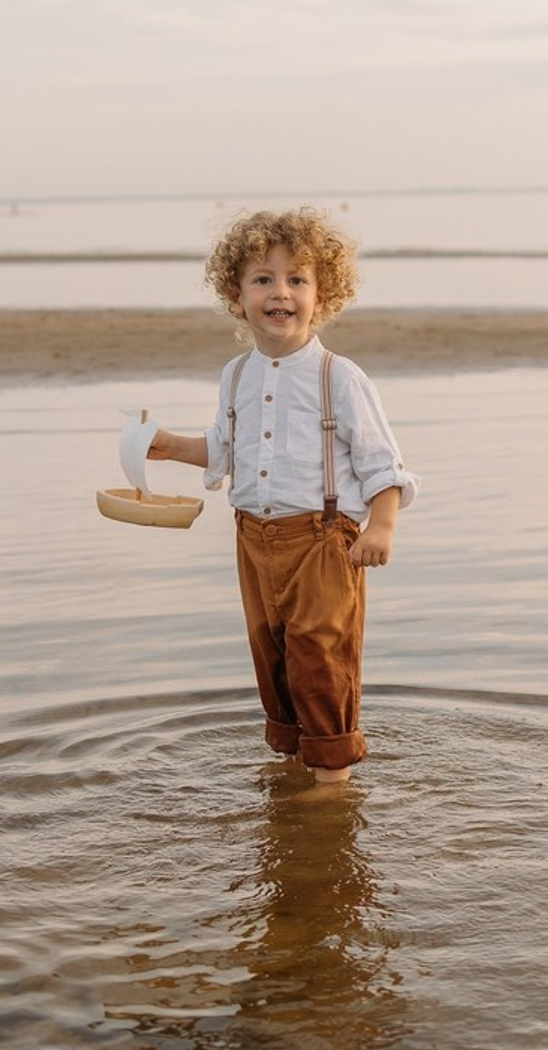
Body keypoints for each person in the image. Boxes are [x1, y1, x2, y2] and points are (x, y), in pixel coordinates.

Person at [150, 208, 419, 784]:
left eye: (297, 279)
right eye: (263, 279)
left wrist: (381, 526)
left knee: (321, 660)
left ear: (322, 296)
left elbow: (384, 464)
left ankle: (331, 786)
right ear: (236, 294)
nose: (281, 293)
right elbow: (227, 449)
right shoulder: (236, 375)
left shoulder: (338, 377)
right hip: (253, 540)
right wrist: (174, 446)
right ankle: (300, 766)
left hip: (323, 543)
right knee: (274, 658)